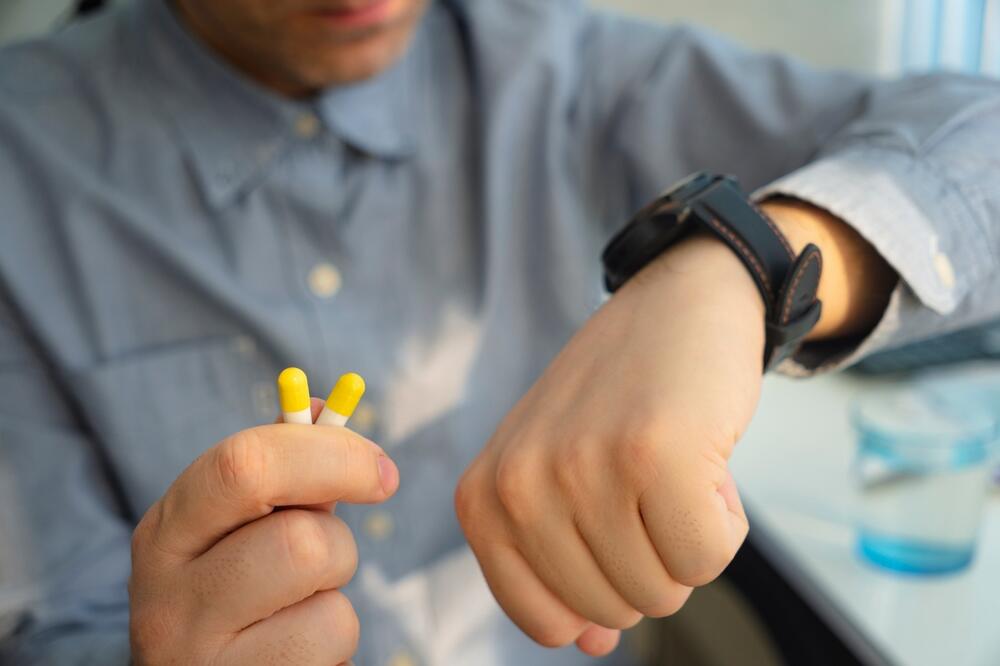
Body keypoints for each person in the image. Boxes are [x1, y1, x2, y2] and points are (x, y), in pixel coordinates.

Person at [0, 0, 997, 663]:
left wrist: (742, 263)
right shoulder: (23, 162)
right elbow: (51, 626)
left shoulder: (555, 63)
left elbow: (975, 134)